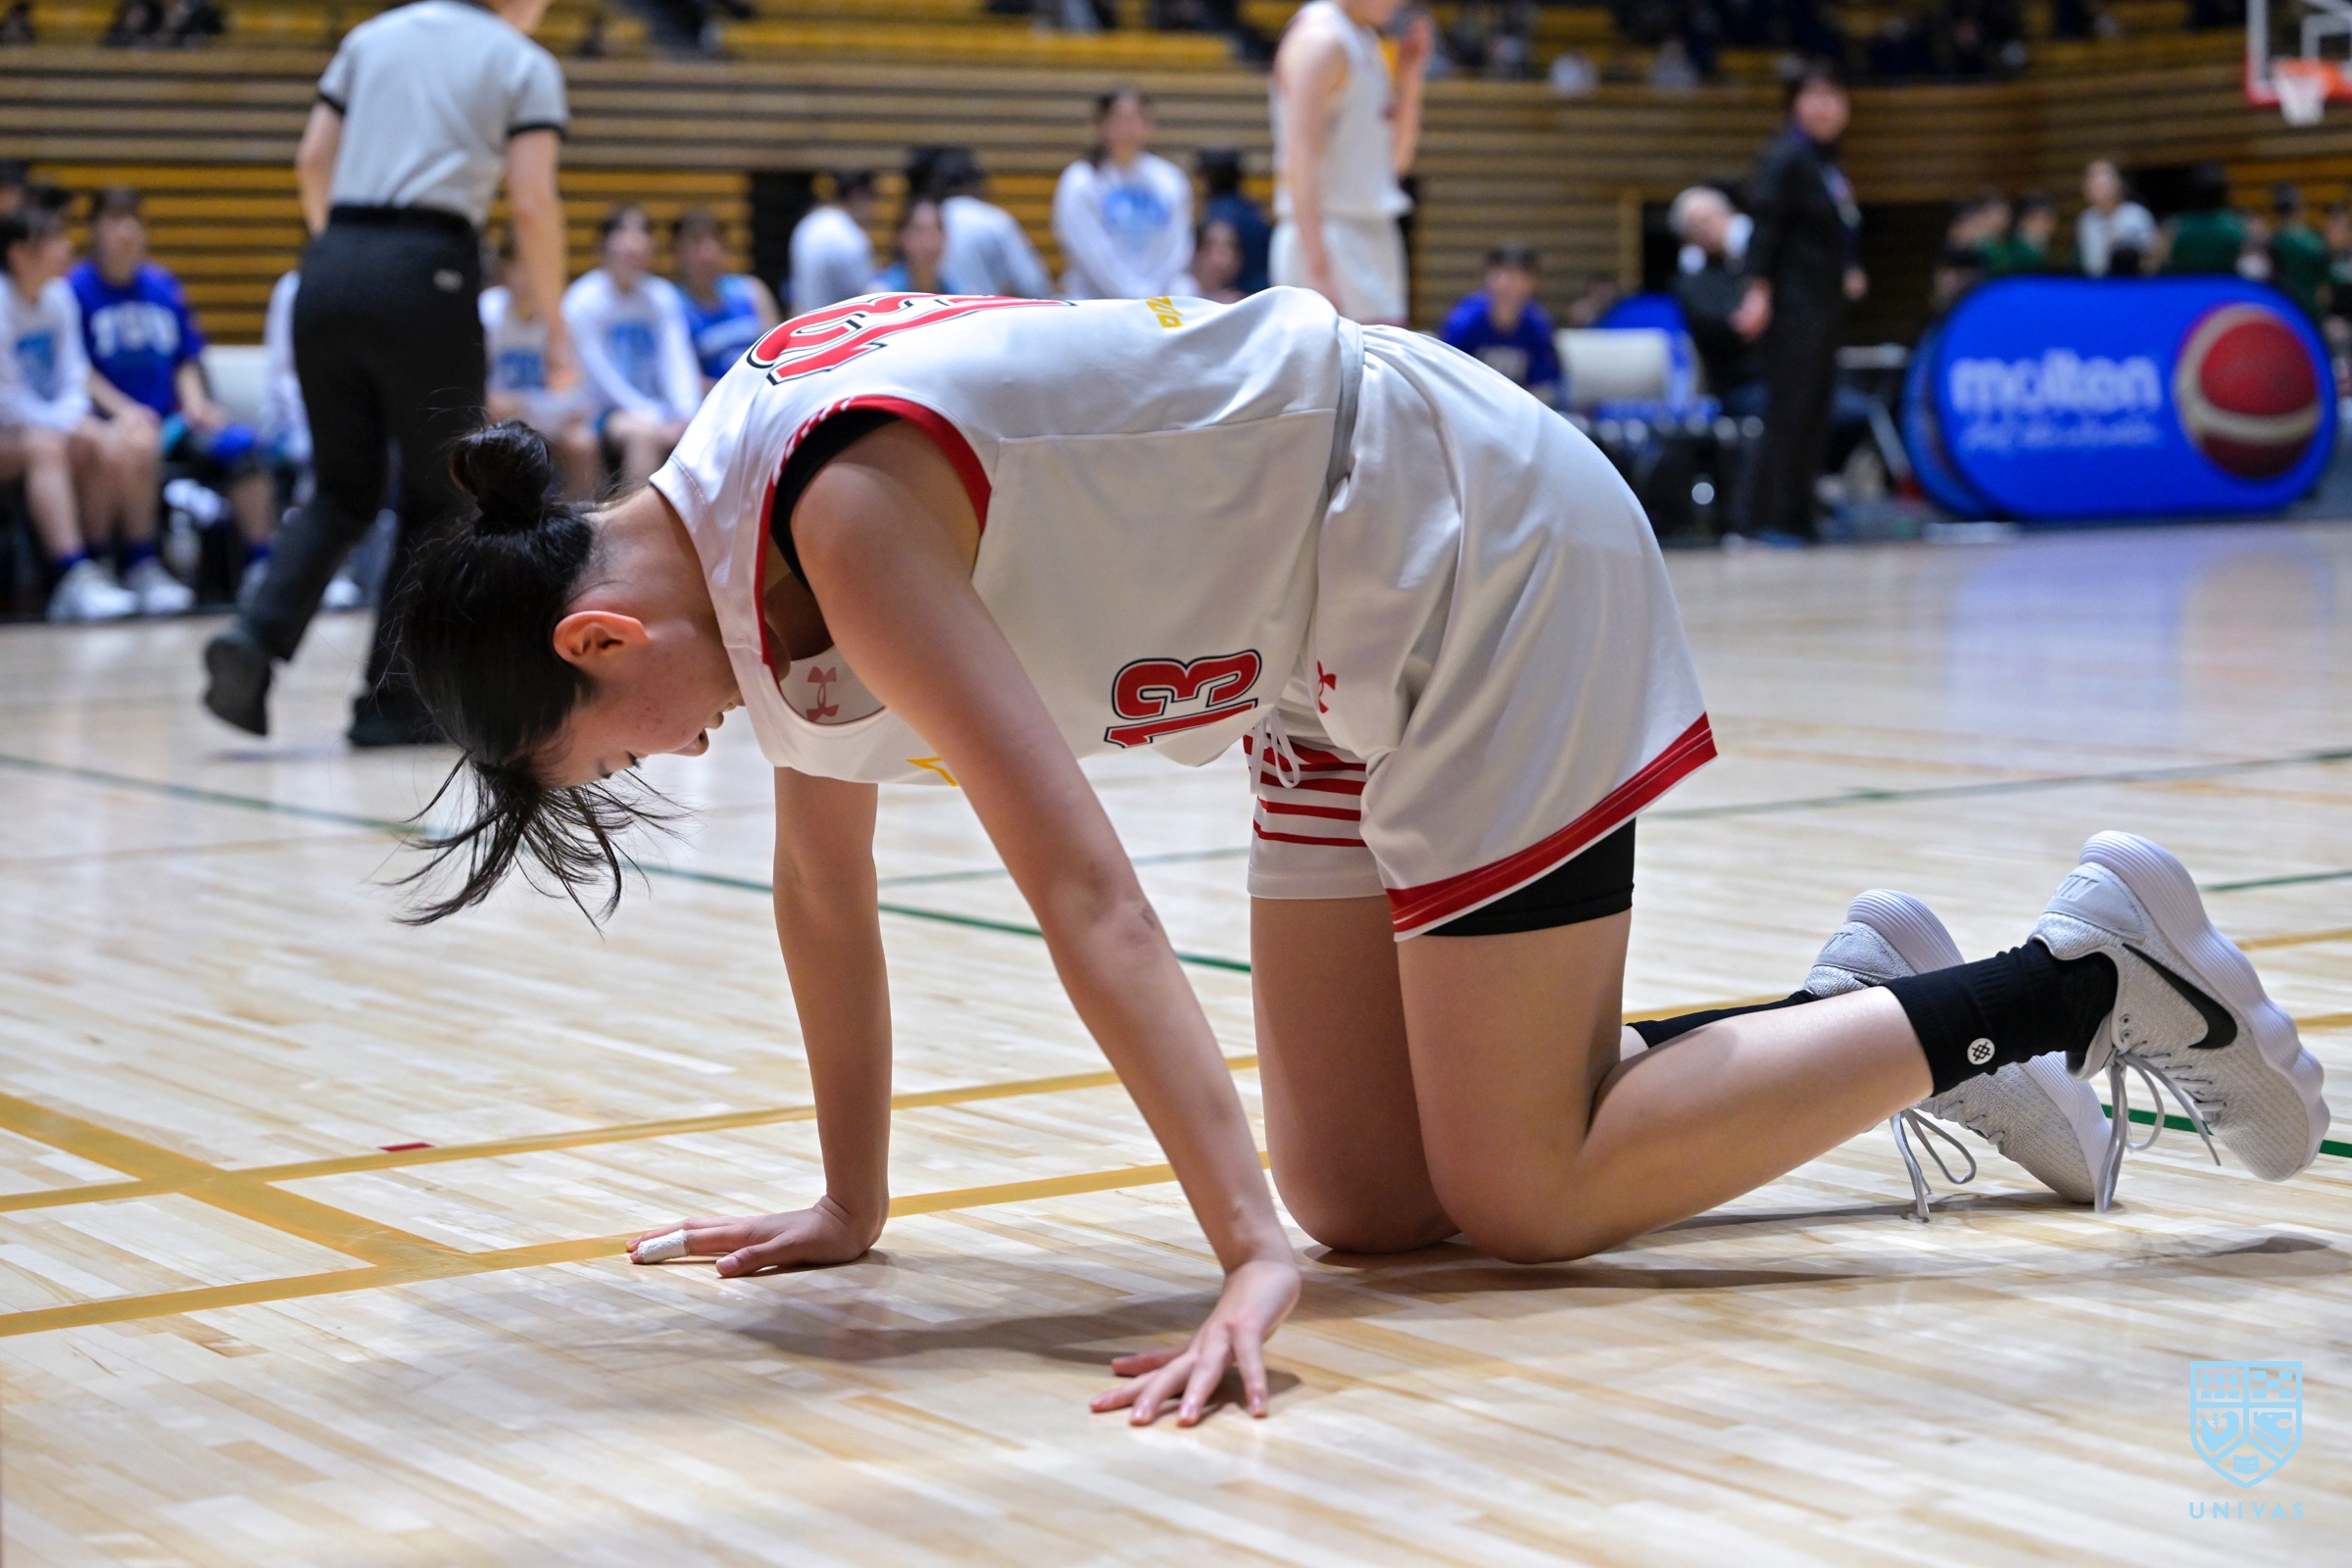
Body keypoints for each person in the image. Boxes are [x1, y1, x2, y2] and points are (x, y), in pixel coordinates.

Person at [389, 289, 2327, 1426]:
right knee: (1368, 1195)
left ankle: (2084, 978)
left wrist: (1242, 1257)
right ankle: (1861, 1016)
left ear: (597, 638)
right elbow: (823, 884)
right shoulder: (734, 511)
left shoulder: (836, 516)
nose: (670, 756)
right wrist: (853, 1192)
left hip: (1467, 552)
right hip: (1317, 659)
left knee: (1528, 1192)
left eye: (612, 749)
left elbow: (1085, 891)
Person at [203, 0, 571, 746]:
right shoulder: (522, 62)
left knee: (344, 489)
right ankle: (394, 703)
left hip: (329, 264)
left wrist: (348, 259)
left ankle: (255, 637)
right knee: (442, 497)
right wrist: (559, 330)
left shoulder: (369, 37)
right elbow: (532, 202)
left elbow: (313, 160)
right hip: (427, 269)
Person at [71, 185, 270, 605]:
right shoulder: (77, 289)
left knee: (245, 449)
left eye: (133, 221)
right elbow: (77, 369)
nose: (126, 231)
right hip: (106, 419)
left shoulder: (162, 286)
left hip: (172, 422)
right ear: (94, 229)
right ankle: (132, 562)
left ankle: (262, 567)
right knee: (135, 442)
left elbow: (185, 359)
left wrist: (195, 403)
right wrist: (125, 411)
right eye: (114, 220)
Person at [1732, 63, 1866, 541]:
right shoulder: (1785, 156)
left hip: (1824, 305)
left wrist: (1850, 268)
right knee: (1788, 412)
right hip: (1793, 305)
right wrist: (1757, 291)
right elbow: (1766, 227)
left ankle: (1799, 515)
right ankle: (1762, 518)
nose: (1826, 107)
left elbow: (1835, 228)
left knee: (1816, 412)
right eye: (1815, 97)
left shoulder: (1826, 162)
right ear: (1795, 104)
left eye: (1834, 97)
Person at [0, 206, 141, 621]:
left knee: (96, 445)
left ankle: (97, 566)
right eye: (53, 240)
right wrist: (66, 426)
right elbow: (5, 397)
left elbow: (74, 376)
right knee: (46, 448)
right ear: (19, 254)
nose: (67, 247)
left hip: (38, 424)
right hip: (10, 426)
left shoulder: (59, 297)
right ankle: (69, 576)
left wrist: (77, 424)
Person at [1269, 0, 1430, 325]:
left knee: (1383, 356)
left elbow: (1396, 164)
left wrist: (1410, 75)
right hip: (1328, 235)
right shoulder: (1320, 41)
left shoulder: (1365, 40)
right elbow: (1300, 161)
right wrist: (1318, 271)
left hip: (1369, 233)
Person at [564, 204, 703, 489]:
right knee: (644, 436)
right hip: (602, 410)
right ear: (602, 246)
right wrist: (651, 413)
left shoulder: (661, 295)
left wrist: (686, 413)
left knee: (699, 430)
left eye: (642, 232)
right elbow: (599, 377)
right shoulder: (583, 299)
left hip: (655, 410)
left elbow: (677, 361)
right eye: (623, 232)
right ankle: (631, 516)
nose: (634, 241)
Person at [482, 237, 599, 499]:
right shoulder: (487, 311)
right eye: (524, 265)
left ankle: (575, 519)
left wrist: (522, 405)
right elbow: (480, 396)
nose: (533, 275)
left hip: (547, 420)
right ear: (506, 268)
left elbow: (580, 399)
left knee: (583, 443)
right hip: (499, 423)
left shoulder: (565, 317)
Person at [1053, 87, 1196, 301]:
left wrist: (1153, 294)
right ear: (1100, 125)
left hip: (1160, 298)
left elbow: (1177, 246)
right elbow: (1090, 251)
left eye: (1137, 119)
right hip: (1094, 301)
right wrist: (1133, 297)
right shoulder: (1081, 181)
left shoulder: (1170, 179)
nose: (1129, 127)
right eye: (1120, 119)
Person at [1669, 185, 1762, 412]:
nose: (1706, 228)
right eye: (1695, 224)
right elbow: (1731, 327)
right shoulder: (1692, 281)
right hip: (1741, 382)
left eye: (1711, 218)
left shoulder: (1755, 262)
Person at [1438, 243, 1560, 407]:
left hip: (1520, 410)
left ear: (1532, 282)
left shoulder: (1538, 325)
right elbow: (1446, 378)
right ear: (1488, 277)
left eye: (1519, 276)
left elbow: (1544, 384)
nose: (1509, 283)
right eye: (1503, 274)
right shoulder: (1463, 322)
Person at [928, 148, 1054, 300]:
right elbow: (1033, 283)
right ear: (974, 183)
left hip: (938, 311)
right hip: (989, 311)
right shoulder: (995, 220)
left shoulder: (926, 222)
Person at [672, 209, 779, 382]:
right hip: (714, 397)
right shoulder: (673, 304)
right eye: (696, 241)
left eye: (715, 240)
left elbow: (780, 356)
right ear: (678, 251)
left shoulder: (752, 291)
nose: (707, 253)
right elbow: (684, 381)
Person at [787, 169, 877, 318]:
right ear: (859, 195)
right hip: (841, 326)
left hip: (807, 323)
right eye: (872, 199)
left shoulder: (808, 224)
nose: (873, 210)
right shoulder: (850, 237)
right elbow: (869, 298)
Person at [1198, 147, 1270, 295]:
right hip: (1264, 285)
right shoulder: (1253, 208)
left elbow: (1222, 259)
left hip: (1236, 293)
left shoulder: (1221, 209)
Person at [867, 197, 966, 295]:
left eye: (935, 231)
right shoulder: (880, 292)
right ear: (902, 236)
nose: (929, 242)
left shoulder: (956, 292)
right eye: (921, 231)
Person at [2160, 164, 2246, 276]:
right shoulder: (2235, 226)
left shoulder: (2175, 227)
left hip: (2185, 283)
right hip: (2222, 282)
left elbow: (2159, 262)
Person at [2077, 158, 2153, 278]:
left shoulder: (2136, 215)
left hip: (2133, 284)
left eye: (2103, 178)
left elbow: (2151, 259)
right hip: (2096, 286)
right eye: (2092, 178)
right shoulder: (2086, 220)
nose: (2096, 184)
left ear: (2118, 183)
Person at [2267, 182, 2330, 321]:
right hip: (2310, 307)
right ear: (2299, 206)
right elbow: (2325, 287)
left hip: (2286, 308)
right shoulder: (2312, 241)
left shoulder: (2273, 240)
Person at [1192, 217, 1249, 304]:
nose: (1224, 259)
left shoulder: (1232, 299)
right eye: (1219, 250)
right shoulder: (1177, 289)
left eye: (1230, 249)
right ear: (1198, 252)